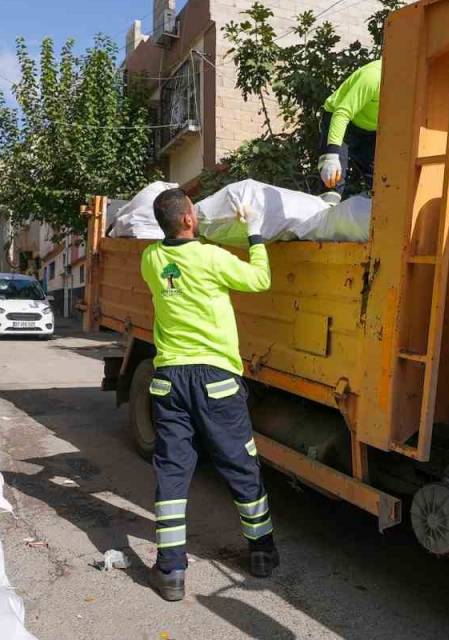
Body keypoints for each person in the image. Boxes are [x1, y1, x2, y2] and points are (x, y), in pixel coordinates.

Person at [139, 188, 276, 601]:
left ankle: (171, 571)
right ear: (187, 220)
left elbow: (177, 254)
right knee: (240, 465)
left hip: (169, 380)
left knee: (172, 472)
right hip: (215, 379)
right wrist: (254, 232)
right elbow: (260, 280)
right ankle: (262, 553)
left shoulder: (150, 260)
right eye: (193, 212)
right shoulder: (212, 258)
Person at [318, 59, 381, 199]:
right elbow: (342, 113)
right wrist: (332, 157)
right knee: (332, 179)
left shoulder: (413, 85)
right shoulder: (373, 76)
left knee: (381, 184)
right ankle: (327, 206)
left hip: (371, 131)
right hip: (341, 121)